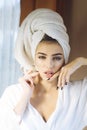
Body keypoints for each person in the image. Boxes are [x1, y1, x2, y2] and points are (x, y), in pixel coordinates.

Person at [0, 8, 87, 130]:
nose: (49, 65)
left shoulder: (80, 93)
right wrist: (25, 96)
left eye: (57, 58)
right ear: (33, 58)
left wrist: (81, 61)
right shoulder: (13, 94)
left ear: (65, 59)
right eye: (42, 57)